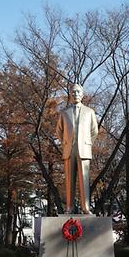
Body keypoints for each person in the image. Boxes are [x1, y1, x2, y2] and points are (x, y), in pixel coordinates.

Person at [56, 83, 99, 214]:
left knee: (84, 180)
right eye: (73, 92)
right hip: (69, 149)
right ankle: (69, 207)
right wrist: (65, 142)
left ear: (82, 94)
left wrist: (87, 143)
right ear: (70, 95)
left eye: (78, 92)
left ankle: (85, 207)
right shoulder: (64, 113)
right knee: (69, 181)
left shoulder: (89, 112)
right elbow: (59, 130)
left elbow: (94, 131)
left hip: (84, 150)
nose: (76, 95)